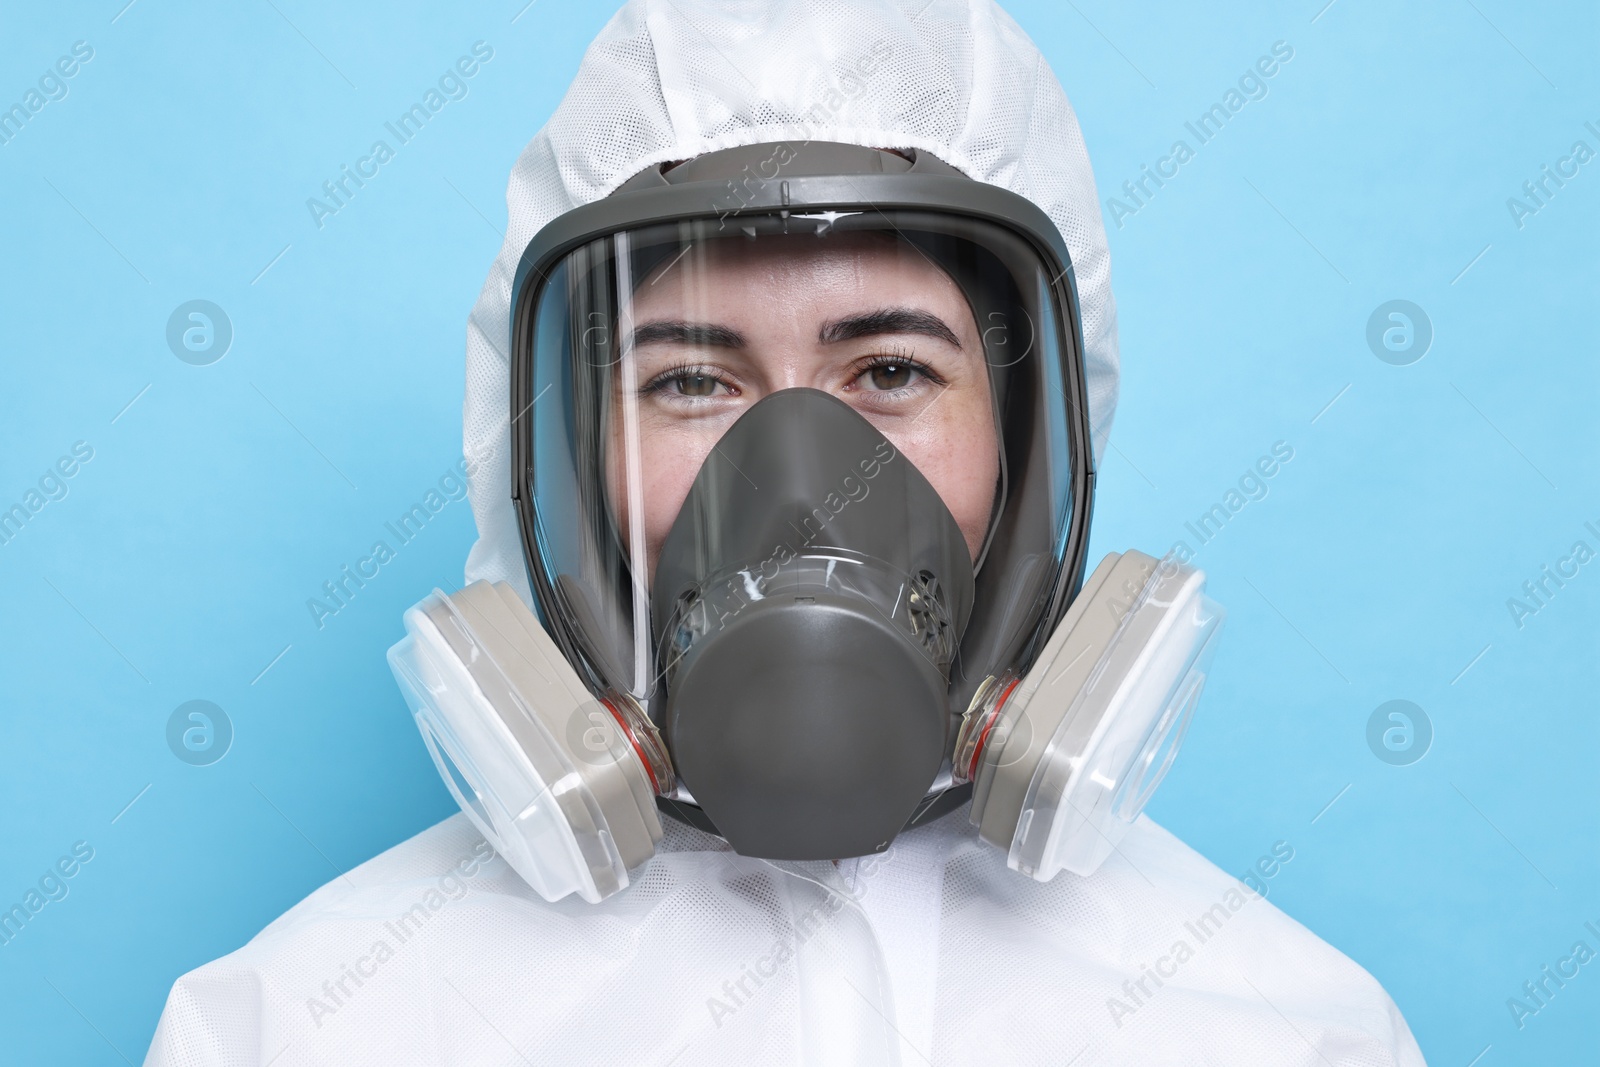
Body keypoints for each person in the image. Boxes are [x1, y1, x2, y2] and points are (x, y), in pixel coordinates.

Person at [145, 1, 1428, 1064]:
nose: (806, 479)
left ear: (1031, 439)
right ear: (563, 453)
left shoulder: (1284, 1030)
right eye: (690, 381)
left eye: (890, 372)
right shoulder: (308, 1023)